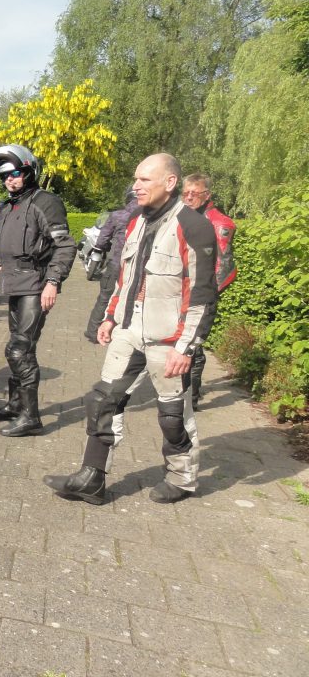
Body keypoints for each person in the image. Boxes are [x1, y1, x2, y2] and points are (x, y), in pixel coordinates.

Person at [43, 153, 218, 505]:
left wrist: (186, 348)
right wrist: (109, 316)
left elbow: (202, 294)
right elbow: (125, 277)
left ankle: (182, 478)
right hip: (128, 328)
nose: (135, 186)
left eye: (144, 180)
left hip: (167, 339)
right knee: (102, 399)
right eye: (135, 179)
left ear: (169, 183)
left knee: (172, 415)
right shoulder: (137, 220)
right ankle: (92, 478)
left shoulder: (193, 226)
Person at [0, 144, 75, 436]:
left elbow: (65, 245)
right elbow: (0, 244)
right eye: (4, 176)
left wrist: (53, 282)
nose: (10, 179)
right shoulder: (8, 206)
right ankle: (14, 405)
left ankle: (31, 417)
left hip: (35, 285)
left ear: (29, 171)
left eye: (15, 173)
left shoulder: (45, 202)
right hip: (14, 285)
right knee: (18, 347)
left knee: (19, 349)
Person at [181, 174, 236, 407]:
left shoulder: (219, 222)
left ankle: (190, 398)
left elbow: (224, 266)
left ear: (207, 195)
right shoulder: (183, 217)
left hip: (201, 293)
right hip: (182, 290)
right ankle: (186, 392)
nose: (189, 197)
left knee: (193, 344)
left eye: (195, 193)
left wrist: (206, 296)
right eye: (186, 193)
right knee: (184, 342)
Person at [83, 188, 138, 343]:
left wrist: (105, 248)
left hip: (116, 263)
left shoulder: (117, 215)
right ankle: (124, 334)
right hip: (136, 266)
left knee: (105, 297)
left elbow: (102, 240)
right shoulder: (148, 216)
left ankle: (93, 331)